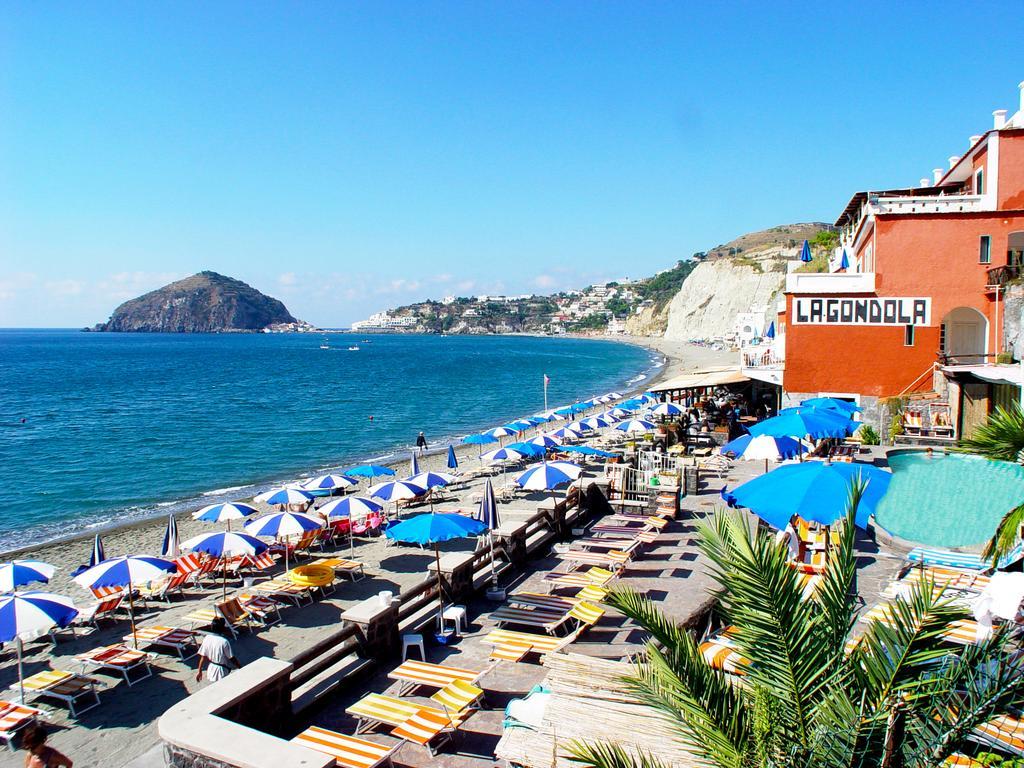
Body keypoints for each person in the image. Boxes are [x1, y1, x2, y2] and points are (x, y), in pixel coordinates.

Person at [196, 617, 241, 683]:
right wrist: (240, 667)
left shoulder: (207, 638)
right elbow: (231, 658)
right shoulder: (224, 641)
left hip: (211, 669)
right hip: (221, 671)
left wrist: (199, 671)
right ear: (222, 628)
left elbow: (203, 656)